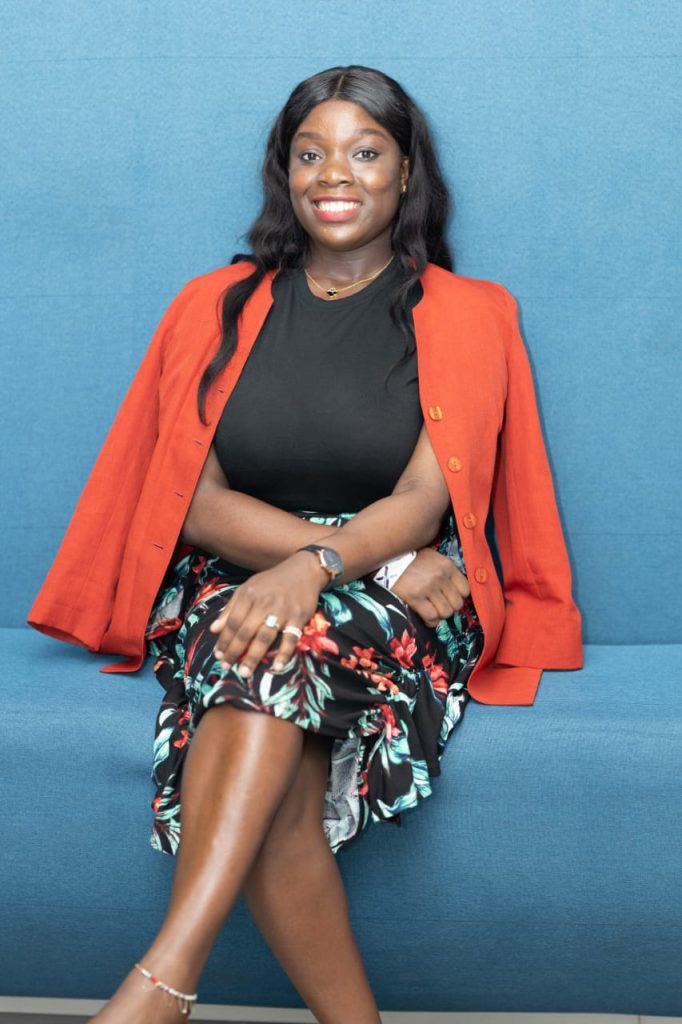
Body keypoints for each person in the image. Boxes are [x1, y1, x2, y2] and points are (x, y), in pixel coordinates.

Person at [26, 63, 582, 1024]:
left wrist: (328, 567)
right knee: (270, 668)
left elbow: (425, 500)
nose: (336, 175)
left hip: (406, 593)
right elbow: (192, 502)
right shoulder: (212, 305)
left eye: (366, 153)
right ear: (283, 172)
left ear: (406, 173)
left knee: (279, 645)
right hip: (242, 575)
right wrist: (304, 565)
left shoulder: (470, 314)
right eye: (311, 153)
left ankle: (161, 985)